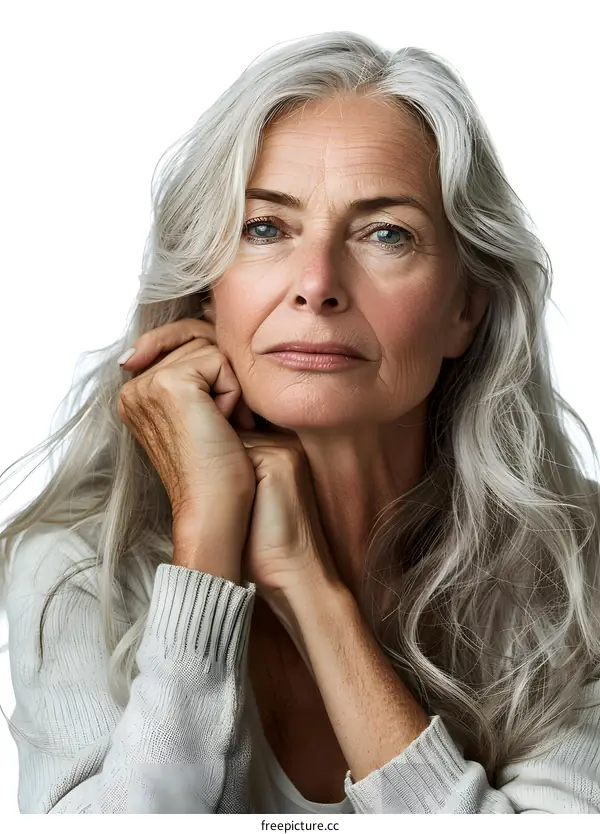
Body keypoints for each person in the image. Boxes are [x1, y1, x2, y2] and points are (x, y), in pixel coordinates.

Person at [1, 30, 600, 815]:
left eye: (386, 233)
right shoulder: (78, 568)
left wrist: (312, 591)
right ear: (207, 290)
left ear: (465, 307)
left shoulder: (575, 562)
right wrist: (206, 548)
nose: (316, 285)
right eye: (266, 229)